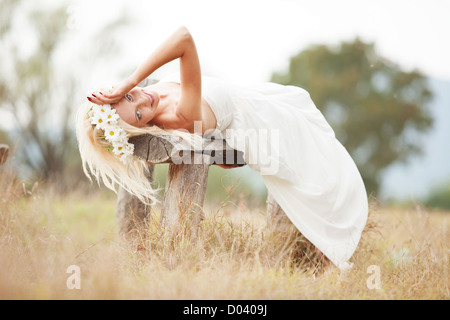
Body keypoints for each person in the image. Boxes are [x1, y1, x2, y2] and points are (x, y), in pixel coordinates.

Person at [76, 26, 368, 270]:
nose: (143, 100)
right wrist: (131, 81)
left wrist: (130, 82)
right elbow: (184, 39)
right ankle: (321, 249)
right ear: (141, 129)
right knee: (316, 173)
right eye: (139, 115)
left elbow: (179, 36)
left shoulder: (146, 91)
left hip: (257, 99)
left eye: (129, 96)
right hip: (264, 126)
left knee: (317, 155)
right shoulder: (180, 116)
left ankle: (312, 248)